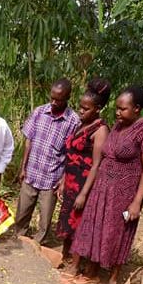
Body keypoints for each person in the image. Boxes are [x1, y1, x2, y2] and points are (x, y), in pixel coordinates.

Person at [70, 86, 143, 284]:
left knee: (118, 232)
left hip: (124, 192)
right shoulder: (118, 127)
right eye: (117, 108)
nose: (118, 112)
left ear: (137, 108)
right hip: (102, 188)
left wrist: (137, 201)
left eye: (123, 109)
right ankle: (92, 271)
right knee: (97, 228)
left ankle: (112, 279)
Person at [15, 79, 81, 246]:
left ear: (67, 98)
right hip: (32, 172)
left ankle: (37, 247)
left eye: (58, 99)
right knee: (22, 213)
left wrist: (63, 180)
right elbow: (28, 141)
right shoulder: (39, 112)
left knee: (45, 220)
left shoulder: (73, 121)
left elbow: (71, 155)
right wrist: (23, 167)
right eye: (52, 98)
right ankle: (19, 239)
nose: (53, 102)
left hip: (51, 178)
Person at [56, 78, 111, 269]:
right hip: (71, 181)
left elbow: (96, 165)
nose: (81, 111)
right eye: (80, 107)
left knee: (79, 223)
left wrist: (84, 194)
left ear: (97, 109)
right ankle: (64, 256)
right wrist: (63, 180)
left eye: (86, 109)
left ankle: (76, 266)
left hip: (84, 183)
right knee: (67, 220)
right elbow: (70, 155)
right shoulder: (81, 124)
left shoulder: (100, 129)